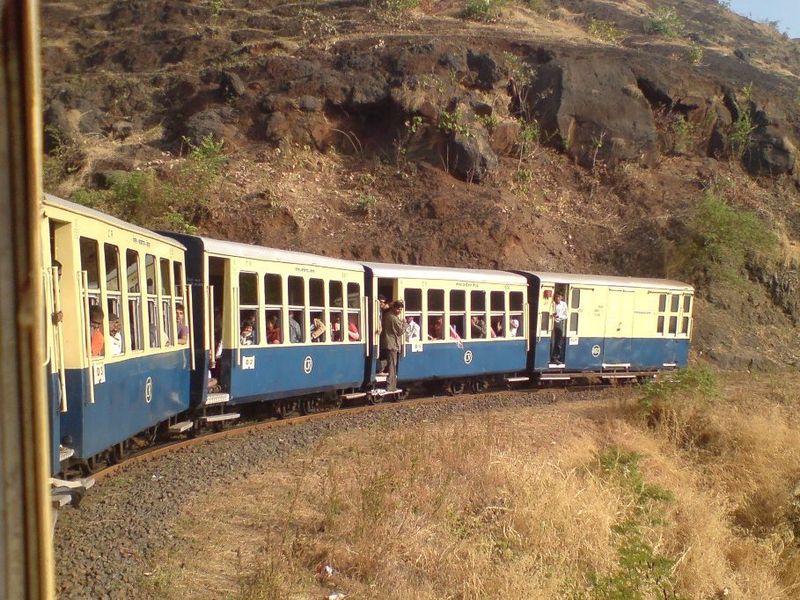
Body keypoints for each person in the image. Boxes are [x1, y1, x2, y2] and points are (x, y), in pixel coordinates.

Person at [380, 300, 406, 392]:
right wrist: (405, 324)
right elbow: (400, 331)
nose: (400, 311)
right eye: (398, 309)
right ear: (394, 308)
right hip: (392, 344)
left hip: (386, 343)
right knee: (392, 366)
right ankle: (391, 386)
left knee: (389, 363)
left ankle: (381, 367)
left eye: (401, 309)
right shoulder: (394, 318)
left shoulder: (387, 315)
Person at [551, 293, 568, 364]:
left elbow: (566, 315)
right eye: (556, 297)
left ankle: (556, 358)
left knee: (558, 341)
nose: (557, 298)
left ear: (561, 297)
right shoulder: (552, 303)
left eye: (559, 297)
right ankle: (551, 357)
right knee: (551, 340)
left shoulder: (564, 304)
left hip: (558, 322)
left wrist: (559, 316)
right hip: (551, 321)